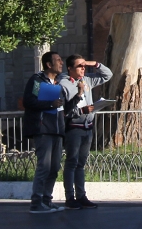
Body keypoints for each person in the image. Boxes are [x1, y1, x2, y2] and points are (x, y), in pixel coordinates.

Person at [58, 54, 112, 210]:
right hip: (74, 128)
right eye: (79, 66)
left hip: (87, 127)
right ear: (69, 69)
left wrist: (93, 63)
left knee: (81, 164)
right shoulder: (64, 84)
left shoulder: (87, 79)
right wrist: (81, 110)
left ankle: (81, 196)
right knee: (71, 162)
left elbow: (108, 75)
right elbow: (64, 110)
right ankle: (70, 196)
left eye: (84, 66)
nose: (82, 69)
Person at [22, 51, 67, 213]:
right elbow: (29, 101)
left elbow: (62, 106)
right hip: (43, 129)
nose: (61, 63)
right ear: (49, 64)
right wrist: (50, 104)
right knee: (44, 166)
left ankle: (47, 200)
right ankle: (36, 201)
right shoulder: (37, 80)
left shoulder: (58, 83)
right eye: (58, 60)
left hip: (57, 130)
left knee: (54, 167)